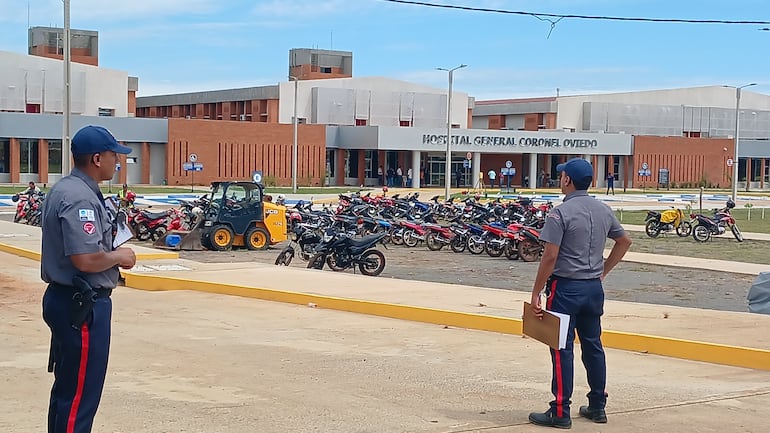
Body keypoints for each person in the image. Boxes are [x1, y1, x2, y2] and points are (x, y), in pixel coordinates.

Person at [41, 125, 137, 433]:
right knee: (80, 398)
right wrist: (120, 257)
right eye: (113, 155)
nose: (117, 162)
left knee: (67, 392)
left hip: (67, 300)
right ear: (97, 158)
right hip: (81, 306)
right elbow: (85, 260)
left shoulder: (65, 188)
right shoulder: (80, 198)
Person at [527, 158, 632, 429]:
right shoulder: (602, 209)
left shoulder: (560, 213)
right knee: (593, 345)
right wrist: (603, 271)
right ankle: (597, 405)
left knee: (561, 348)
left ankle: (560, 410)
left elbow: (550, 256)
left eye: (562, 176)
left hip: (566, 288)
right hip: (593, 289)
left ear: (567, 181)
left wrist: (536, 291)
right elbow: (624, 241)